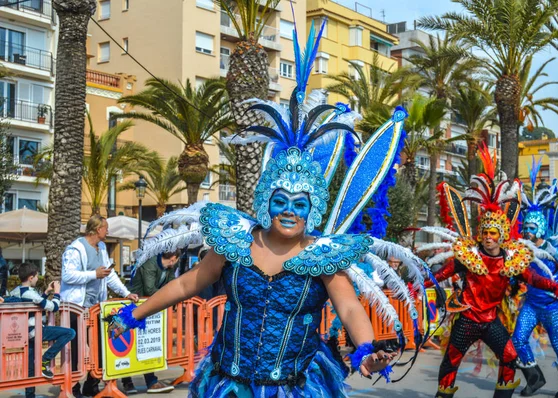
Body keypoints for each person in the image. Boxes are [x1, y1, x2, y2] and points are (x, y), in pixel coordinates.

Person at [102, 15, 435, 397]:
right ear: (266, 201)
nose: (289, 210)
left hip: (292, 387)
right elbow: (186, 284)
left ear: (312, 208)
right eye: (280, 200)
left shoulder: (322, 257)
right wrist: (133, 314)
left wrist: (364, 349)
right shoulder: (236, 242)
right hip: (229, 384)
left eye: (299, 203)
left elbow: (350, 308)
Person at [419, 144, 558, 398]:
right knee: (451, 361)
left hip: (490, 321)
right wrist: (419, 284)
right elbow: (442, 274)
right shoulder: (469, 256)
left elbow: (532, 278)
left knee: (510, 355)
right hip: (467, 320)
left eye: (493, 234)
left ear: (501, 237)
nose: (488, 238)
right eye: (485, 233)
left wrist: (556, 286)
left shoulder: (510, 260)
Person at [512, 165, 558, 398]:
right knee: (518, 340)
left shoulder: (552, 249)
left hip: (552, 305)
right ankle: (535, 379)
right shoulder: (522, 249)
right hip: (531, 304)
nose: (528, 231)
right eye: (526, 227)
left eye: (532, 228)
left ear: (540, 228)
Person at [62, 215, 138, 398]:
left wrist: (125, 292)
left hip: (96, 307)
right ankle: (72, 388)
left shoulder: (102, 247)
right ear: (98, 229)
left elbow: (109, 275)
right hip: (76, 307)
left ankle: (92, 383)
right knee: (76, 349)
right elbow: (67, 276)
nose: (108, 231)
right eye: (106, 228)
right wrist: (93, 274)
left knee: (99, 346)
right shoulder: (75, 249)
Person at [9, 263, 76, 398]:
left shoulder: (18, 291)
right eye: (37, 276)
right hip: (35, 331)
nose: (38, 278)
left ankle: (30, 395)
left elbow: (36, 303)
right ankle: (46, 359)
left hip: (25, 332)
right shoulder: (28, 293)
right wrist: (57, 292)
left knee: (30, 367)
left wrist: (46, 292)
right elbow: (54, 307)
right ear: (31, 277)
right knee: (70, 333)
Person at [121, 251, 181, 394]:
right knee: (129, 344)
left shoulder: (171, 266)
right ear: (172, 258)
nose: (174, 264)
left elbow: (172, 283)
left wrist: (173, 294)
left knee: (147, 345)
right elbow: (149, 289)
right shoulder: (150, 263)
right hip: (135, 304)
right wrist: (169, 296)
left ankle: (151, 381)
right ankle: (127, 381)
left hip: (150, 306)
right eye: (175, 261)